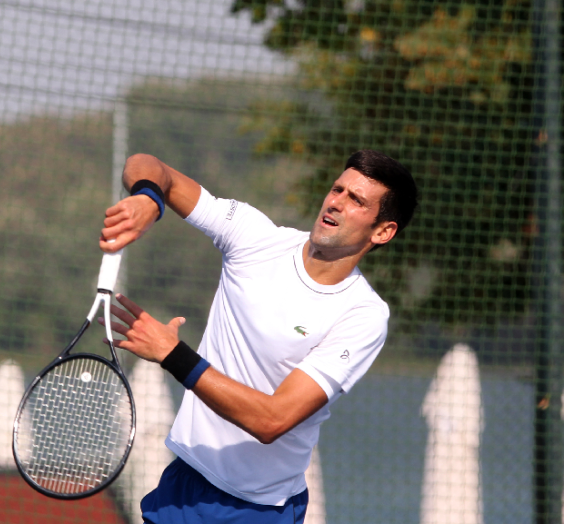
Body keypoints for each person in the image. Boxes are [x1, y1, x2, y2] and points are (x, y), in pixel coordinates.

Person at [99, 150, 418, 524]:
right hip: (182, 486)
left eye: (356, 200)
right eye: (337, 189)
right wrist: (148, 196)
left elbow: (272, 420)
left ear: (382, 231)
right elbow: (147, 164)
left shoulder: (363, 316)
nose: (335, 202)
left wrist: (172, 354)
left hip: (259, 510)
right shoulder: (254, 237)